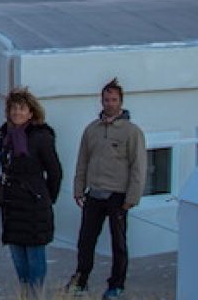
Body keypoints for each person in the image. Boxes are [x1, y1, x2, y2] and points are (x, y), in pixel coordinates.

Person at [65, 78, 147, 299]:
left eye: (114, 99)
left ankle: (116, 284)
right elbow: (82, 160)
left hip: (118, 196)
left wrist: (133, 197)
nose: (109, 103)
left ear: (121, 101)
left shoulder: (131, 131)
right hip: (95, 193)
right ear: (101, 101)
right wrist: (78, 188)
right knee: (85, 240)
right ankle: (81, 280)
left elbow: (138, 166)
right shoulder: (92, 130)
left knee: (118, 243)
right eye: (106, 99)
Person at [0, 87, 63, 298]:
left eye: (22, 108)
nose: (17, 112)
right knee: (18, 260)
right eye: (13, 108)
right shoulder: (5, 135)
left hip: (34, 204)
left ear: (31, 112)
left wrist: (45, 197)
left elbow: (55, 172)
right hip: (12, 206)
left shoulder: (41, 137)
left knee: (35, 261)